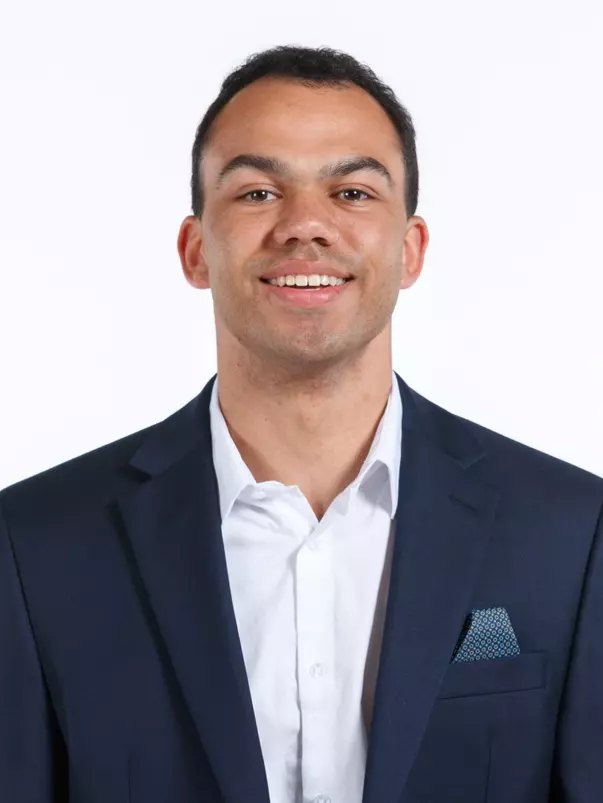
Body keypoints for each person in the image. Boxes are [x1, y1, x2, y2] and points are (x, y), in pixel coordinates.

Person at [1, 43, 601, 803]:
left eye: (352, 193)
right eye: (256, 193)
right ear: (195, 250)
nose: (304, 226)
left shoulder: (568, 530)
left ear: (409, 249)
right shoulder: (34, 543)